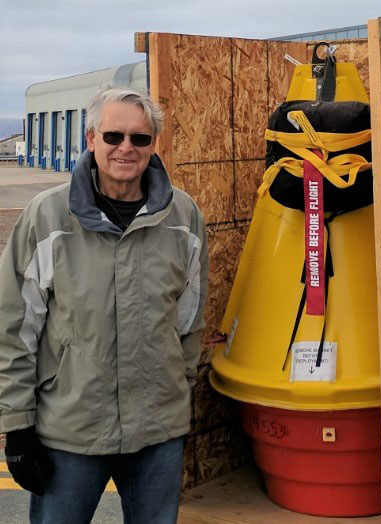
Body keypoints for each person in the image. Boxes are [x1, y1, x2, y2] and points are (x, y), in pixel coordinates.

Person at [0, 87, 209, 524]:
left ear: (154, 144)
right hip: (70, 432)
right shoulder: (48, 218)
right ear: (91, 138)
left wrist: (177, 390)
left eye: (140, 138)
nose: (125, 148)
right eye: (113, 136)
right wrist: (17, 425)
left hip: (157, 434)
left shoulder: (183, 218)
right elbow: (13, 327)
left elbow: (189, 320)